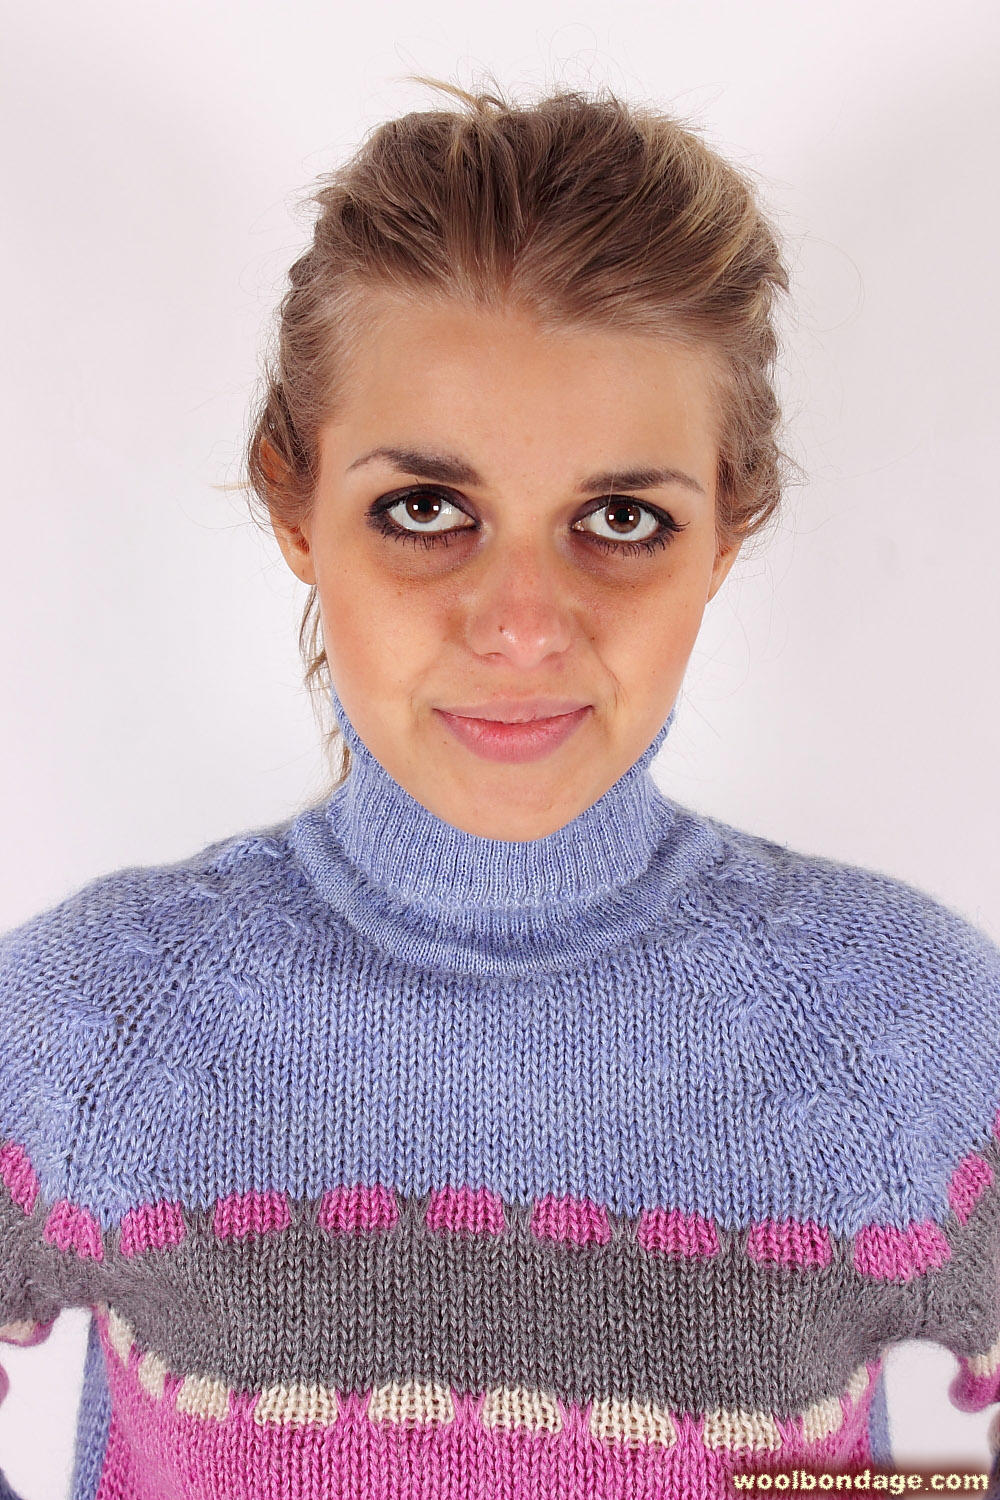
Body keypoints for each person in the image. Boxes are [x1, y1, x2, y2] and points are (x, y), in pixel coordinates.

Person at [2, 75, 998, 1500]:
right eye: (425, 511)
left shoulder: (908, 1029)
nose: (523, 628)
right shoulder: (87, 1021)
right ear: (295, 505)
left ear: (725, 534)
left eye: (622, 519)